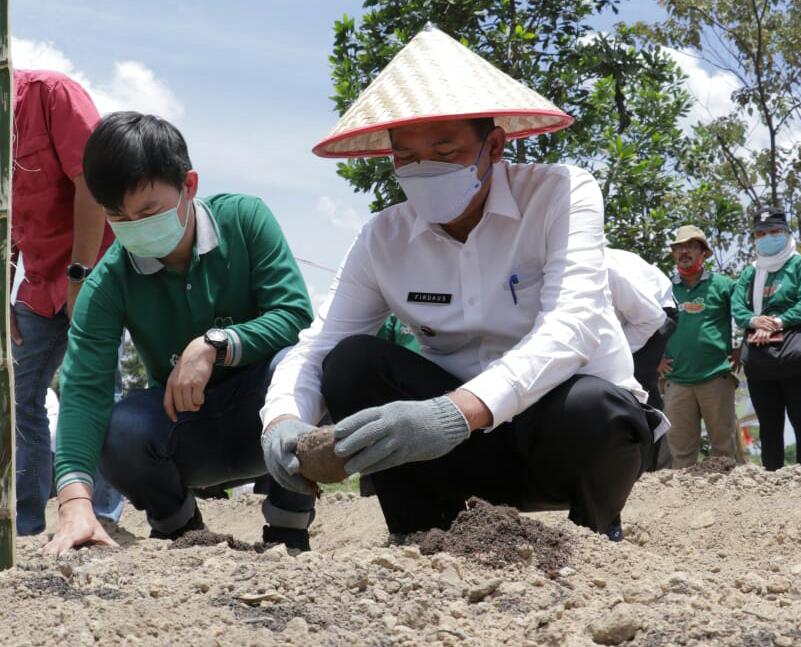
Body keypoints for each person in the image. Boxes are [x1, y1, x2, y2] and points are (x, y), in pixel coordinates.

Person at [261, 25, 664, 543]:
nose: (423, 169)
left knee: (597, 408)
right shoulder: (382, 238)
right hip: (445, 451)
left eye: (445, 150)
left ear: (493, 145)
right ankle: (422, 537)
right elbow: (320, 344)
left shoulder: (560, 194)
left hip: (558, 439)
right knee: (352, 362)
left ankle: (594, 536)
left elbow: (572, 326)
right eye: (406, 157)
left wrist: (453, 413)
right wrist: (282, 421)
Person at [44, 112, 314, 556]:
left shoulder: (245, 219)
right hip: (185, 429)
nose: (134, 226)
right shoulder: (108, 283)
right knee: (121, 426)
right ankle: (180, 527)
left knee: (309, 367)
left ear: (188, 185)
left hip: (267, 417)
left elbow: (296, 316)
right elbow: (84, 391)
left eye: (148, 211)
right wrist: (73, 502)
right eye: (117, 216)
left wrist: (215, 345)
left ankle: (289, 526)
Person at [11, 69, 123, 535]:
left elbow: (92, 182)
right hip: (38, 283)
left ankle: (101, 517)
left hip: (93, 267)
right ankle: (29, 522)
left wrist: (81, 275)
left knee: (98, 388)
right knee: (17, 397)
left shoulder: (52, 95)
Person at [732, 206, 801, 470]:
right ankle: (772, 479)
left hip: (798, 356)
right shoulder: (751, 272)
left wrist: (776, 323)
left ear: (787, 232)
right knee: (768, 426)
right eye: (761, 233)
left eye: (774, 231)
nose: (767, 237)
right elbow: (737, 307)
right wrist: (754, 320)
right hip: (761, 359)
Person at [660, 225, 738, 468]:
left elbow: (746, 314)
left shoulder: (723, 285)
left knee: (724, 450)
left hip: (716, 376)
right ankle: (684, 494)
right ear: (673, 254)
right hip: (677, 380)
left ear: (703, 253)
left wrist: (741, 347)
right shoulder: (663, 288)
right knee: (680, 453)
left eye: (691, 246)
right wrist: (656, 358)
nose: (684, 252)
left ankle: (728, 493)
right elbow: (647, 324)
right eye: (679, 248)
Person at [607, 247, 677, 470]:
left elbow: (652, 319)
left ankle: (650, 464)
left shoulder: (606, 268)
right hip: (633, 319)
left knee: (638, 382)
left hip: (659, 311)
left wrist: (617, 353)